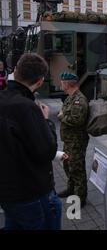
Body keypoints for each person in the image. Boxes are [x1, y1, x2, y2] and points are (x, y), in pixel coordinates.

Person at [0, 53, 62, 230]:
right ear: (40, 81)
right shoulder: (27, 108)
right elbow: (47, 151)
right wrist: (46, 121)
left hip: (7, 193)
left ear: (16, 71)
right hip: (32, 194)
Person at [57, 71, 90, 207]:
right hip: (69, 140)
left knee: (77, 168)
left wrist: (62, 116)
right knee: (68, 164)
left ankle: (80, 198)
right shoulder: (70, 97)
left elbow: (77, 120)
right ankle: (71, 189)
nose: (60, 84)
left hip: (76, 141)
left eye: (62, 82)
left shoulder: (79, 100)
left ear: (67, 84)